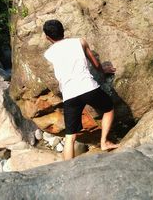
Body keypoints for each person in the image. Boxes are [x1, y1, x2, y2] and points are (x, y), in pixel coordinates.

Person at [43, 19, 119, 160]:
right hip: (88, 88)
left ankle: (68, 169)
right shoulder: (80, 42)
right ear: (63, 31)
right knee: (108, 109)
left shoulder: (48, 54)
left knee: (70, 137)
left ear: (47, 37)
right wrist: (103, 70)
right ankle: (104, 142)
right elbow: (95, 63)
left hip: (69, 95)